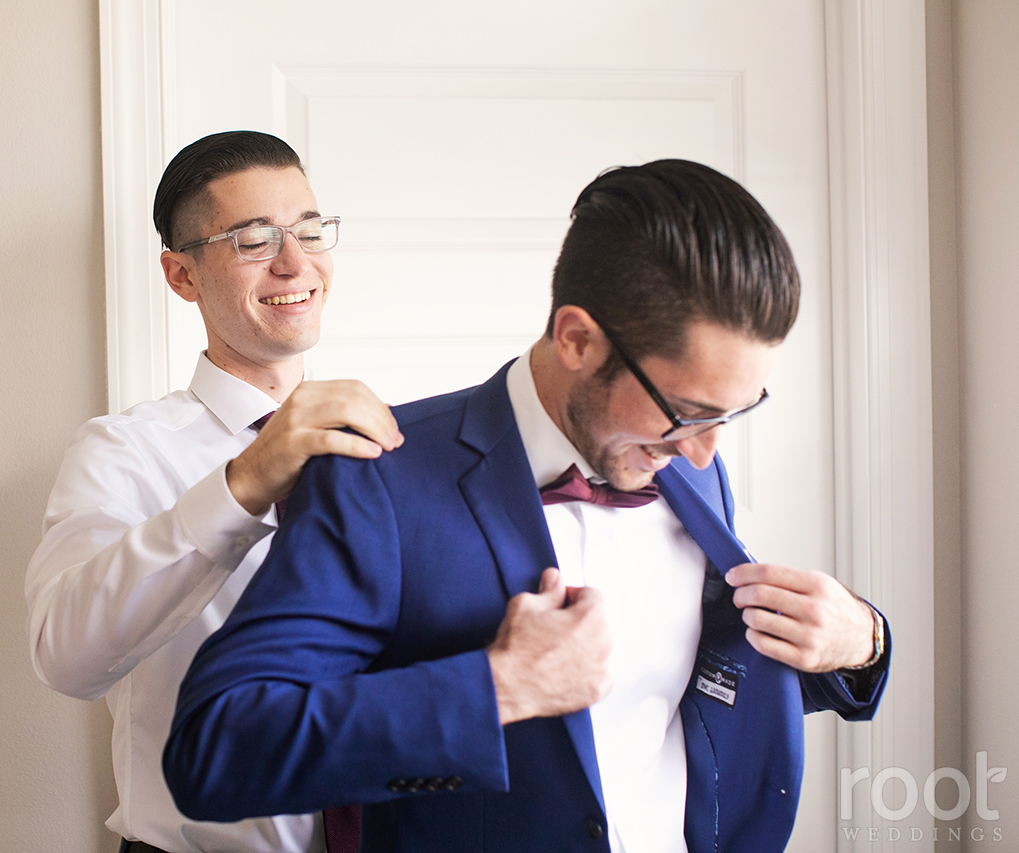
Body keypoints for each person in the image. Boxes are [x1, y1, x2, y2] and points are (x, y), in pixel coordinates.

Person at [164, 160, 891, 853]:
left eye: (734, 413)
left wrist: (860, 644)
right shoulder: (380, 479)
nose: (706, 452)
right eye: (686, 411)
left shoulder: (688, 464)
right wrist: (499, 687)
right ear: (576, 338)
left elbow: (698, 676)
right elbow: (215, 750)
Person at [25, 130, 401, 853]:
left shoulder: (386, 435)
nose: (297, 263)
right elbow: (64, 656)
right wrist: (247, 483)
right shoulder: (123, 451)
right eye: (255, 240)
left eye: (309, 231)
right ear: (182, 275)